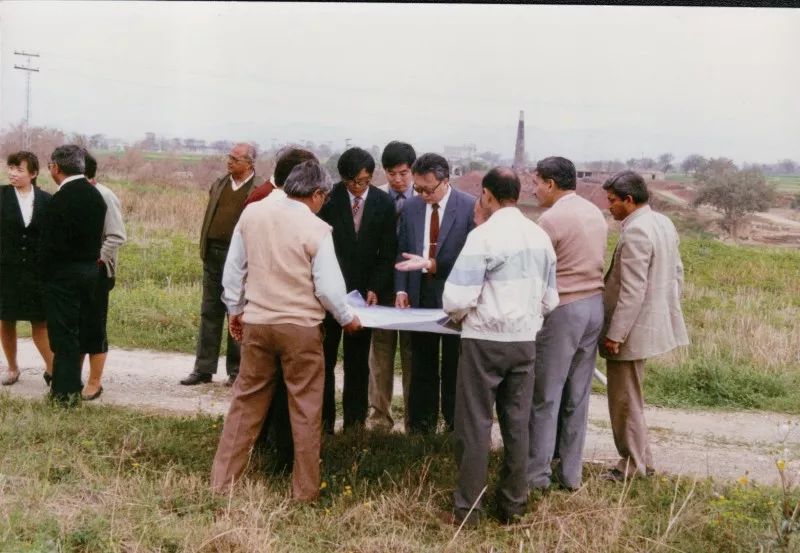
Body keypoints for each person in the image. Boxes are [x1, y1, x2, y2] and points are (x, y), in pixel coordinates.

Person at [211, 159, 362, 501]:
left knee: (245, 405)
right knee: (306, 409)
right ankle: (305, 490)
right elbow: (327, 288)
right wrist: (347, 318)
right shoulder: (317, 228)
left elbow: (233, 270)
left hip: (259, 322)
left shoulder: (252, 214)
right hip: (301, 329)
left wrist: (235, 310)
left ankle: (221, 484)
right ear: (318, 193)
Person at [440, 167, 558, 525]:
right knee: (517, 424)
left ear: (487, 194)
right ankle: (513, 505)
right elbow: (550, 299)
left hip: (484, 341)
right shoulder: (540, 237)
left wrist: (465, 316)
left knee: (475, 424)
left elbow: (456, 297)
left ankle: (468, 510)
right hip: (524, 341)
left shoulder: (483, 236)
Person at [226, 146, 318, 471]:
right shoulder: (266, 204)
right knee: (281, 392)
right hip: (291, 318)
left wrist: (234, 308)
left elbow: (234, 268)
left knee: (254, 391)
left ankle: (232, 472)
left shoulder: (261, 203)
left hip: (258, 312)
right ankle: (284, 459)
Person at [600, 170, 689, 480]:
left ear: (628, 200)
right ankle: (642, 460)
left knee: (624, 400)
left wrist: (615, 333)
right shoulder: (662, 222)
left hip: (631, 330)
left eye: (612, 201)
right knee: (632, 397)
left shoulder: (637, 231)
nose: (608, 206)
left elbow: (632, 290)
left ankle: (632, 466)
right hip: (647, 325)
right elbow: (677, 273)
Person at [527, 156, 607, 491]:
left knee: (546, 395)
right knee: (578, 395)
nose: (534, 189)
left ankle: (537, 475)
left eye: (536, 183)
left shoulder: (550, 220)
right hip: (594, 307)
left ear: (550, 183)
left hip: (565, 309)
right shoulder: (594, 212)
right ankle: (571, 475)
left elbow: (539, 275)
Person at [394, 153, 476, 433]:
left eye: (429, 189)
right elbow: (401, 250)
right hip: (420, 295)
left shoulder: (468, 207)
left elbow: (472, 258)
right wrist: (402, 289)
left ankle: (455, 424)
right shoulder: (411, 207)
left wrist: (432, 264)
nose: (424, 195)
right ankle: (421, 426)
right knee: (422, 362)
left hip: (455, 295)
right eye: (418, 189)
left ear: (445, 180)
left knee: (455, 363)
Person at [318, 147, 396, 432]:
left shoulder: (383, 203)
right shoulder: (328, 198)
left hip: (363, 296)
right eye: (352, 182)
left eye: (363, 181)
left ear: (371, 177)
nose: (358, 188)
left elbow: (387, 253)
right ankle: (324, 421)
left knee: (357, 362)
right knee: (324, 361)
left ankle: (354, 423)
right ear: (343, 179)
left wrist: (375, 286)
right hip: (329, 293)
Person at [181, 143, 258, 386]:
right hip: (214, 255)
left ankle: (236, 371)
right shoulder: (220, 184)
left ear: (249, 163)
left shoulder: (259, 190)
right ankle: (203, 369)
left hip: (241, 260)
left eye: (235, 158)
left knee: (237, 312)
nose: (230, 161)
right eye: (230, 157)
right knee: (209, 311)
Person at [40, 145, 107, 405]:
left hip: (62, 276)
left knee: (63, 334)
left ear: (56, 167)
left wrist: (43, 275)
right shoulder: (95, 196)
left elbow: (50, 245)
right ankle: (71, 385)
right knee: (80, 330)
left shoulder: (60, 200)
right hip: (89, 272)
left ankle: (64, 393)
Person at [366, 141, 417, 432]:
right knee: (381, 356)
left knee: (412, 356)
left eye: (403, 173)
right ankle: (379, 418)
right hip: (383, 289)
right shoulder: (377, 199)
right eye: (391, 173)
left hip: (412, 290)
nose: (398, 180)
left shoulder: (421, 201)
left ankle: (413, 418)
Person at [0, 152, 54, 386]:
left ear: (33, 174)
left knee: (40, 323)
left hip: (36, 273)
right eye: (11, 168)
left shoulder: (47, 200)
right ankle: (12, 367)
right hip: (5, 272)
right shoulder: (1, 196)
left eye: (19, 169)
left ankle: (53, 369)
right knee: (6, 320)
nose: (13, 173)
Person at [78, 152, 127, 401]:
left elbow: (117, 235)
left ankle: (95, 382)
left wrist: (97, 259)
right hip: (74, 272)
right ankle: (71, 377)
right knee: (75, 326)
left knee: (94, 327)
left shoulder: (104, 195)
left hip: (97, 273)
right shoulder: (71, 195)